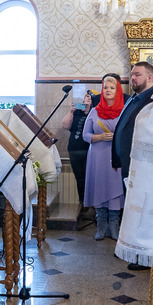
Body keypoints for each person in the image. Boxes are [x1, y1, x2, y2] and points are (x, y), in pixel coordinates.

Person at [112, 61, 153, 270]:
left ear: (150, 78)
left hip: (142, 167)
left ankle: (143, 256)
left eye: (137, 75)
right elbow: (122, 128)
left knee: (141, 211)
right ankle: (131, 249)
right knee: (131, 210)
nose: (133, 78)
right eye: (132, 75)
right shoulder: (133, 99)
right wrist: (115, 157)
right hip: (127, 164)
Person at [83, 74, 124, 240]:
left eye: (112, 87)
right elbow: (85, 135)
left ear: (118, 91)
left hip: (116, 156)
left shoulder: (123, 111)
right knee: (99, 187)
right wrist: (99, 138)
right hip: (97, 156)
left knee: (115, 190)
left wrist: (117, 137)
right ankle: (101, 225)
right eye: (106, 87)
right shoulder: (94, 111)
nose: (108, 90)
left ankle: (114, 225)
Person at [60, 88, 94, 224]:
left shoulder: (95, 113)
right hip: (74, 150)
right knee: (80, 179)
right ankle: (83, 204)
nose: (88, 100)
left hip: (89, 151)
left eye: (91, 98)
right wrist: (71, 112)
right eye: (86, 98)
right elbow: (65, 126)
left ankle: (91, 207)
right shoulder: (77, 113)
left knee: (89, 179)